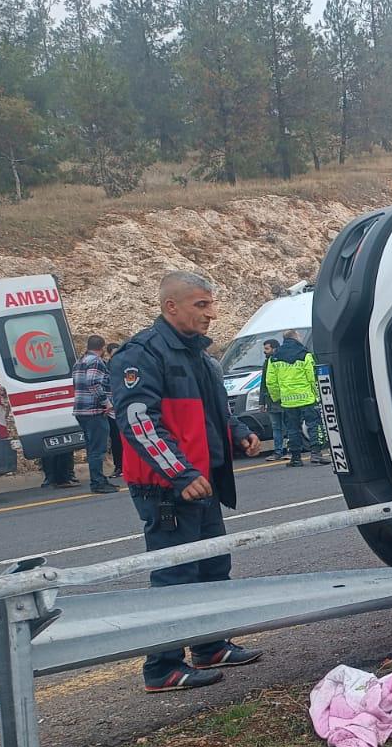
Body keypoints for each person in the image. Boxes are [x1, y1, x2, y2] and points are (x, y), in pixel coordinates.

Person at [110, 270, 264, 691]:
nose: (211, 313)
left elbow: (219, 411)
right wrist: (179, 472)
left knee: (214, 566)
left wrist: (239, 433)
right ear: (170, 306)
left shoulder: (200, 356)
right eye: (202, 305)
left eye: (211, 304)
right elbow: (139, 422)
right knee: (174, 576)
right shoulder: (141, 354)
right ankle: (161, 668)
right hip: (167, 487)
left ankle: (210, 645)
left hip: (203, 482)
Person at [264, 330, 324, 466]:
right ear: (296, 337)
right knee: (314, 425)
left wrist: (277, 397)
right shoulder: (305, 354)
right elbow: (312, 377)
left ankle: (296, 458)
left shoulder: (274, 357)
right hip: (307, 398)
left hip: (288, 400)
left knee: (292, 429)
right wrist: (316, 395)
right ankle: (316, 454)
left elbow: (270, 382)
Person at [72, 333, 119, 494]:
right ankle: (98, 482)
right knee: (98, 449)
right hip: (94, 410)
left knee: (92, 447)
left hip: (81, 409)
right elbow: (93, 382)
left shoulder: (79, 362)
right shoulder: (96, 362)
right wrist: (106, 403)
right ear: (102, 348)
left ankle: (98, 479)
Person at [258, 339, 285, 458]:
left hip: (284, 399)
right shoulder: (267, 362)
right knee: (276, 427)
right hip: (271, 400)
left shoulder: (282, 360)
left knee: (288, 426)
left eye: (267, 349)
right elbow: (264, 382)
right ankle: (279, 451)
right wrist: (262, 402)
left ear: (274, 348)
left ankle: (291, 451)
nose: (265, 352)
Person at [101, 341, 123, 475]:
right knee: (116, 440)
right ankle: (119, 466)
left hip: (123, 408)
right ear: (109, 355)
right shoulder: (106, 368)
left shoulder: (125, 365)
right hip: (112, 411)